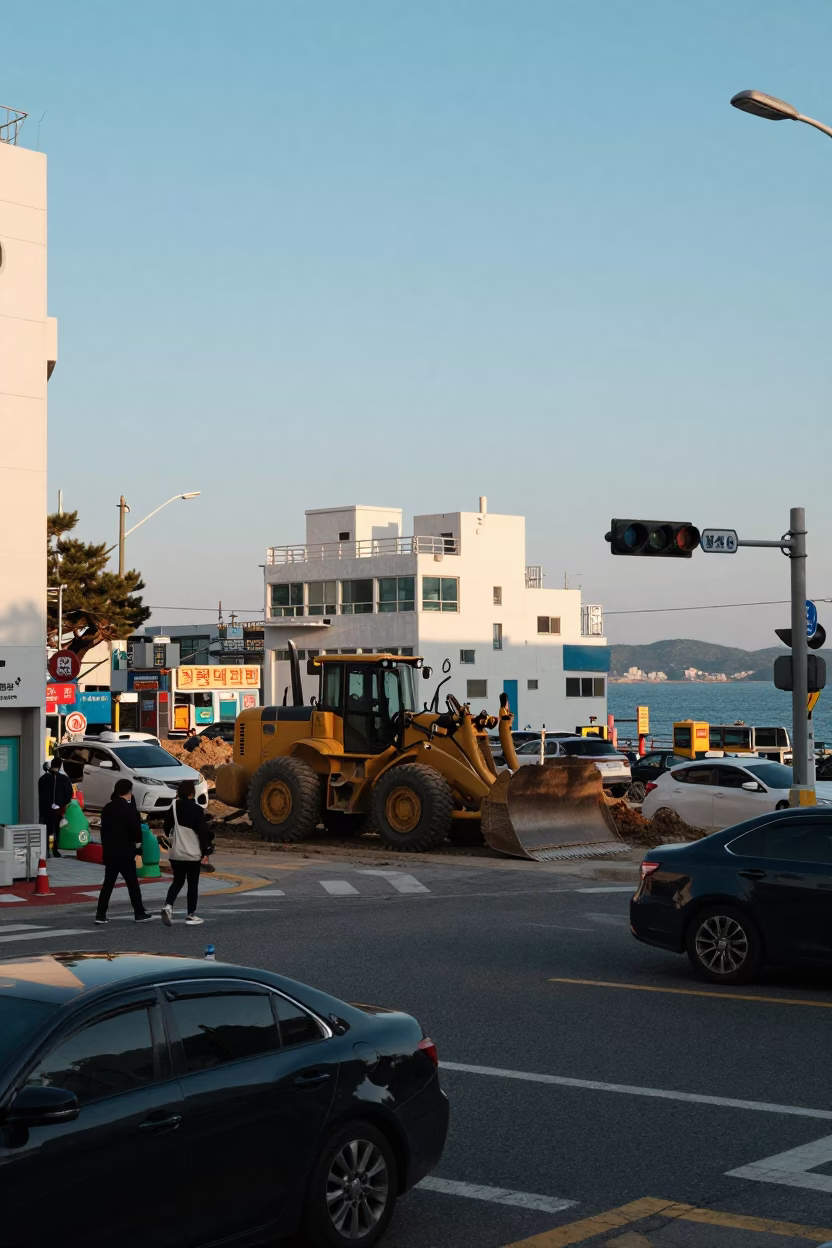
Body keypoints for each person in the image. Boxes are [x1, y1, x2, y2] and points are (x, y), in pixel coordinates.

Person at [95, 779, 153, 925]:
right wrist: (138, 847)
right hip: (126, 852)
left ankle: (100, 914)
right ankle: (139, 912)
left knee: (108, 884)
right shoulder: (129, 809)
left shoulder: (107, 808)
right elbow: (136, 832)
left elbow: (103, 831)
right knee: (132, 884)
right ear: (129, 792)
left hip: (110, 852)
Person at [161, 780, 213, 926]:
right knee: (192, 884)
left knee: (177, 882)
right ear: (192, 792)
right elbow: (203, 832)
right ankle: (190, 914)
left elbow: (167, 829)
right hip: (192, 854)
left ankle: (168, 906)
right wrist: (206, 851)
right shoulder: (197, 809)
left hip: (176, 853)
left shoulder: (174, 807)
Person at [38, 757, 73, 859]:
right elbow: (68, 795)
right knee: (55, 829)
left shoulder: (43, 779)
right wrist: (62, 804)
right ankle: (54, 849)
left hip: (45, 809)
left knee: (46, 829)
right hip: (58, 809)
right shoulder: (64, 779)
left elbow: (40, 794)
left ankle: (46, 850)